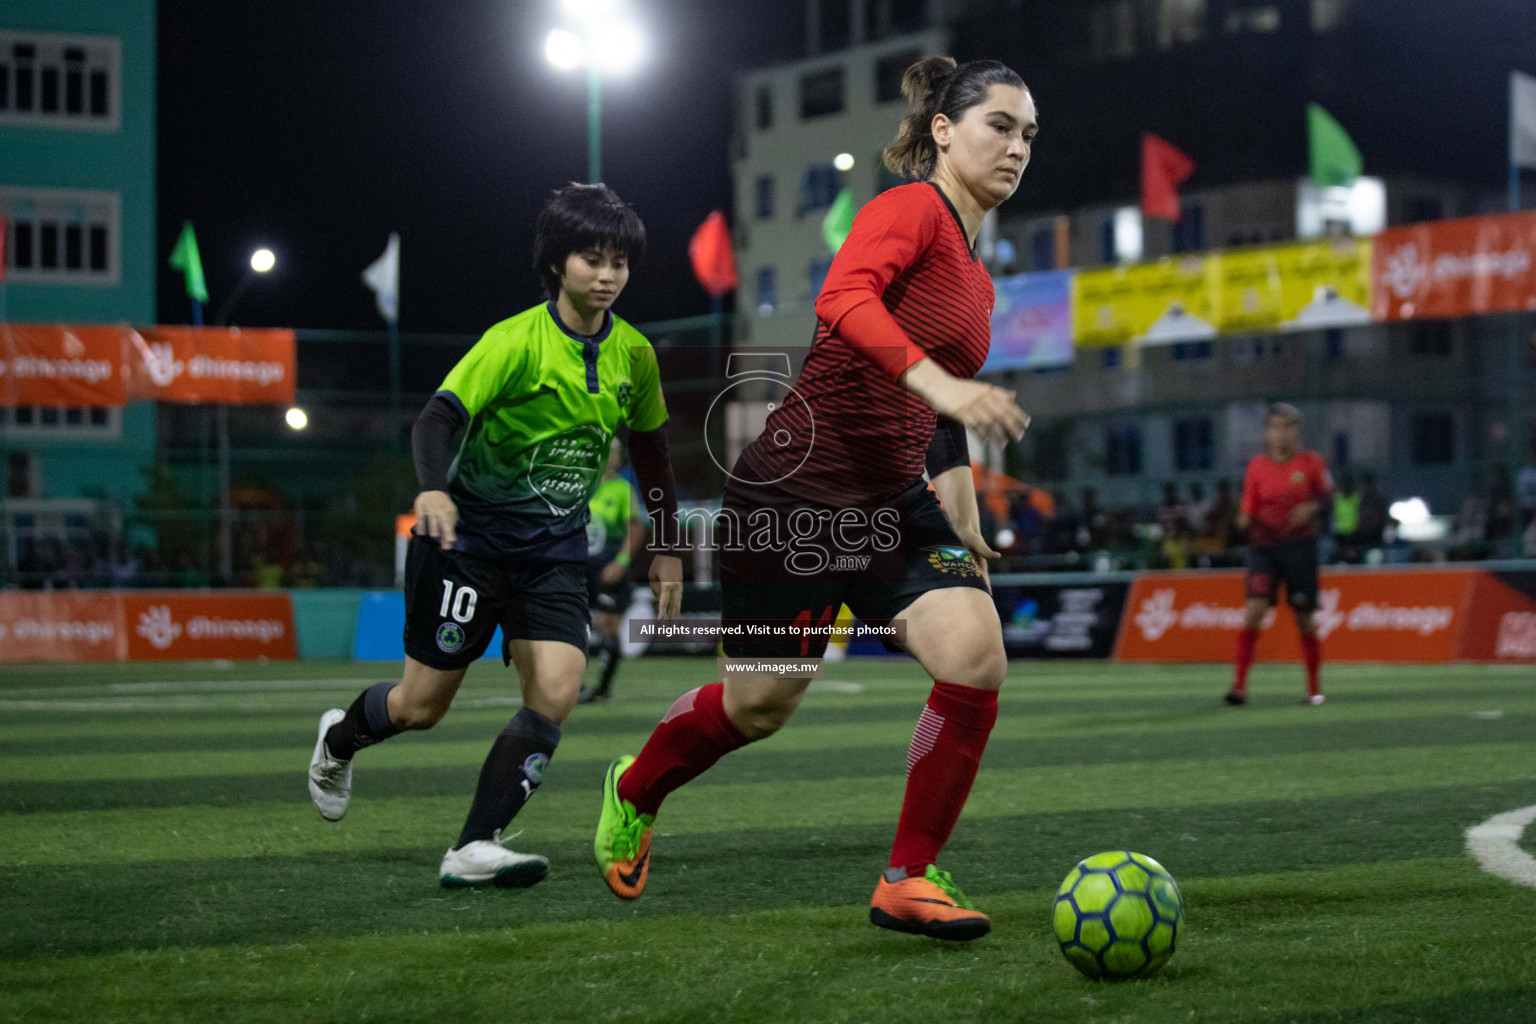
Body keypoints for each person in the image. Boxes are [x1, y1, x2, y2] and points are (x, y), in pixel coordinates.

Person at [592, 55, 1036, 941]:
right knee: (759, 706)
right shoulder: (910, 209)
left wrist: (965, 510)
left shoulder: (981, 283)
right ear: (944, 132)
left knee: (976, 653)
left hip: (892, 503)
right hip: (792, 495)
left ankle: (908, 877)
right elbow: (842, 299)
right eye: (1000, 125)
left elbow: (942, 415)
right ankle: (634, 788)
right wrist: (940, 388)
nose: (1018, 147)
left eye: (1029, 134)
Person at [306, 183, 684, 889]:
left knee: (558, 691)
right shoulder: (512, 341)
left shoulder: (634, 355)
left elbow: (655, 453)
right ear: (555, 263)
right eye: (592, 259)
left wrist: (665, 544)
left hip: (555, 554)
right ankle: (339, 738)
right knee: (421, 706)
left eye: (620, 263)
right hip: (471, 546)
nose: (607, 276)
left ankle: (472, 846)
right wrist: (431, 488)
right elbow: (435, 420)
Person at [1227, 403, 1332, 707]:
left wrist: (1311, 507)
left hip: (1300, 549)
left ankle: (1314, 689)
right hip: (1264, 548)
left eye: (1286, 427)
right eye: (1274, 428)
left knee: (1303, 619)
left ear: (1296, 430)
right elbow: (1248, 505)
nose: (1280, 434)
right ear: (1267, 432)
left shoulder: (1311, 463)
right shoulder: (1257, 466)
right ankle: (1239, 687)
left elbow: (1327, 499)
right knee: (1254, 610)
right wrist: (1244, 519)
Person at [578, 440, 645, 704]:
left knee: (608, 626)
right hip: (578, 568)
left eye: (613, 452)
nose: (608, 457)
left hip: (608, 568)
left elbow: (635, 528)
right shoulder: (581, 486)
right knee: (572, 625)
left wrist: (621, 561)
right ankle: (573, 684)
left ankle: (603, 688)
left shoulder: (622, 490)